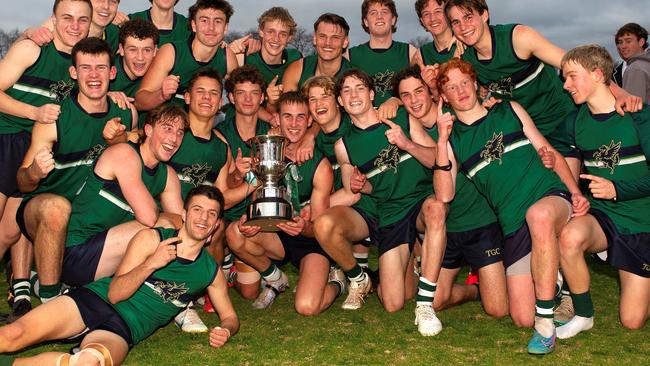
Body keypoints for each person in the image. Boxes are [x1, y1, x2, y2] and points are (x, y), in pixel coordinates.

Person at [433, 58, 589, 354]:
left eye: (465, 82)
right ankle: (552, 282)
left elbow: (548, 150)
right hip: (513, 222)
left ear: (476, 84)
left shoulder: (510, 110)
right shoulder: (453, 140)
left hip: (548, 196)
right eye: (451, 87)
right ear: (444, 97)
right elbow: (444, 195)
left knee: (539, 215)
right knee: (520, 316)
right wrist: (441, 141)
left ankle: (545, 327)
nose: (461, 90)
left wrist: (574, 191)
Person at [0, 185, 239, 366]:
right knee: (11, 336)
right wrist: (152, 263)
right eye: (197, 210)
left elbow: (230, 317)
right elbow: (115, 294)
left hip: (123, 328)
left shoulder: (209, 271)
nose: (203, 218)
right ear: (185, 215)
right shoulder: (151, 239)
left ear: (217, 224)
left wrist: (226, 330)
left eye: (211, 214)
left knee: (90, 361)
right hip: (93, 301)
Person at [5, 38, 136, 311]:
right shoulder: (54, 119)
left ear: (113, 73)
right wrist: (35, 171)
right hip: (42, 209)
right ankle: (51, 301)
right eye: (85, 68)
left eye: (101, 68)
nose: (94, 75)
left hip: (88, 213)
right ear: (73, 73)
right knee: (56, 207)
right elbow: (23, 182)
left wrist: (124, 138)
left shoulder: (126, 113)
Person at [444, 0, 642, 177]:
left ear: (484, 15)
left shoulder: (519, 38)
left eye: (468, 17)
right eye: (456, 22)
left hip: (561, 122)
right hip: (527, 135)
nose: (464, 26)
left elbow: (580, 67)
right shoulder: (465, 60)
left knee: (572, 192)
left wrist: (621, 92)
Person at [327, 69, 445, 333]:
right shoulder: (343, 146)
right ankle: (413, 261)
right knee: (392, 302)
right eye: (346, 91)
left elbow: (438, 158)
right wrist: (361, 185)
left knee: (436, 210)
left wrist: (406, 144)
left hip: (420, 200)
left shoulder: (400, 117)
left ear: (371, 94)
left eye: (359, 88)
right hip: (390, 212)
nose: (353, 94)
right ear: (340, 102)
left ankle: (425, 304)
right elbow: (356, 188)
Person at [393, 65, 508, 319]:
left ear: (432, 92)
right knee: (435, 301)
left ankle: (504, 275)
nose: (414, 100)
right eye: (405, 96)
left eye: (419, 91)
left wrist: (407, 145)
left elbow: (441, 157)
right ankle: (471, 290)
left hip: (480, 221)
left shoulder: (456, 115)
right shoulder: (408, 125)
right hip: (445, 226)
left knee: (498, 309)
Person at [0, 0, 92, 316]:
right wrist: (33, 112)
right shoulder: (33, 49)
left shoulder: (81, 63)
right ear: (53, 19)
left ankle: (21, 287)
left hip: (38, 146)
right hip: (6, 137)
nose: (75, 26)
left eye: (83, 19)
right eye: (67, 18)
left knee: (11, 231)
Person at [556, 44, 650, 338]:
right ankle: (583, 313)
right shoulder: (573, 121)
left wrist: (617, 189)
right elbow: (553, 153)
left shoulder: (639, 116)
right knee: (570, 236)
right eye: (563, 78)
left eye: (572, 77)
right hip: (605, 217)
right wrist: (575, 194)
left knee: (632, 321)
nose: (566, 85)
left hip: (643, 223)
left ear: (597, 74)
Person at [226, 91, 343, 314]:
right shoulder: (266, 153)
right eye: (287, 116)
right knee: (235, 232)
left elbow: (318, 227)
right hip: (276, 234)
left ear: (310, 121)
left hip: (309, 240)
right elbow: (253, 196)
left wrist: (304, 226)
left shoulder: (320, 165)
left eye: (301, 117)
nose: (294, 123)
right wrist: (250, 220)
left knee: (307, 307)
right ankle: (276, 278)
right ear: (277, 119)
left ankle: (338, 282)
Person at [62, 103, 185, 290]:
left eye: (180, 133)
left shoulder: (167, 175)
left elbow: (183, 229)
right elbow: (149, 218)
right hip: (76, 254)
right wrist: (167, 218)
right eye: (167, 128)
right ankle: (117, 291)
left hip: (110, 257)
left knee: (172, 231)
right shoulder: (124, 153)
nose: (174, 139)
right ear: (149, 130)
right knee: (159, 227)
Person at [304, 76, 377, 275]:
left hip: (373, 207)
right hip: (345, 210)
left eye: (325, 97)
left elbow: (354, 192)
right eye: (312, 99)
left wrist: (313, 208)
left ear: (337, 101)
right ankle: (352, 269)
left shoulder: (352, 128)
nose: (319, 104)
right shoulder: (314, 140)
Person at [216, 65, 270, 298]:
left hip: (254, 215)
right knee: (217, 226)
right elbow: (222, 194)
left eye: (254, 93)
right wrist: (237, 174)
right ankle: (224, 256)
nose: (248, 99)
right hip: (228, 213)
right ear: (231, 97)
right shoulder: (220, 133)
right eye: (241, 93)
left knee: (249, 292)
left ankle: (233, 269)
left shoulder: (272, 133)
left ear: (263, 97)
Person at [134, 0, 238, 111]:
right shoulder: (171, 53)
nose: (211, 28)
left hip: (202, 123)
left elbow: (240, 97)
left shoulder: (227, 58)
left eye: (217, 21)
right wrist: (162, 95)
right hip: (164, 122)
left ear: (225, 27)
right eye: (204, 20)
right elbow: (139, 102)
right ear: (193, 25)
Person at [348, 0, 419, 117]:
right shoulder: (350, 55)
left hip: (403, 123)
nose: (379, 17)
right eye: (373, 13)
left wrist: (396, 100)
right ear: (366, 21)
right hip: (365, 126)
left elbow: (422, 93)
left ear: (393, 19)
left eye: (384, 12)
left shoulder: (409, 52)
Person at [280, 13, 352, 95]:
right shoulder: (297, 70)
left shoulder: (353, 76)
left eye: (335, 37)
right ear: (314, 38)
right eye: (322, 36)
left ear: (345, 42)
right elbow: (286, 106)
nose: (328, 43)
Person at [111, 18, 160, 128]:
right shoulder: (104, 71)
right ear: (121, 49)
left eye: (147, 50)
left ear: (155, 51)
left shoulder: (158, 73)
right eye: (133, 49)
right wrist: (103, 96)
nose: (140, 57)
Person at [22, 0, 122, 52]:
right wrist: (29, 33)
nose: (106, 6)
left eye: (113, 1)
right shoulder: (62, 26)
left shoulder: (114, 35)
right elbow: (24, 45)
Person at [615, 23, 650, 103]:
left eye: (628, 41)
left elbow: (632, 110)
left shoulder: (636, 69)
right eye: (620, 42)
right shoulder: (645, 64)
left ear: (641, 42)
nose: (623, 46)